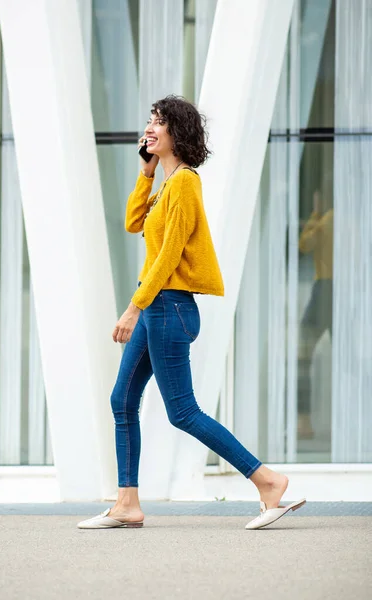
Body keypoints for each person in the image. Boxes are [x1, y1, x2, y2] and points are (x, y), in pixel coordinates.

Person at [78, 95, 305, 531]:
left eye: (158, 121)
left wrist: (132, 308)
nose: (150, 127)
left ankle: (268, 481)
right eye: (149, 119)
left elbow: (169, 254)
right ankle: (127, 503)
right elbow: (133, 223)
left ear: (176, 133)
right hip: (157, 309)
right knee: (122, 399)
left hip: (167, 309)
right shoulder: (165, 184)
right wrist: (145, 174)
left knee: (182, 411)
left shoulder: (186, 183)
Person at [297, 188, 334, 439]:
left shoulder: (327, 220)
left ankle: (304, 422)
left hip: (326, 289)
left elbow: (304, 245)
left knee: (304, 355)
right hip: (330, 288)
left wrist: (314, 215)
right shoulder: (329, 219)